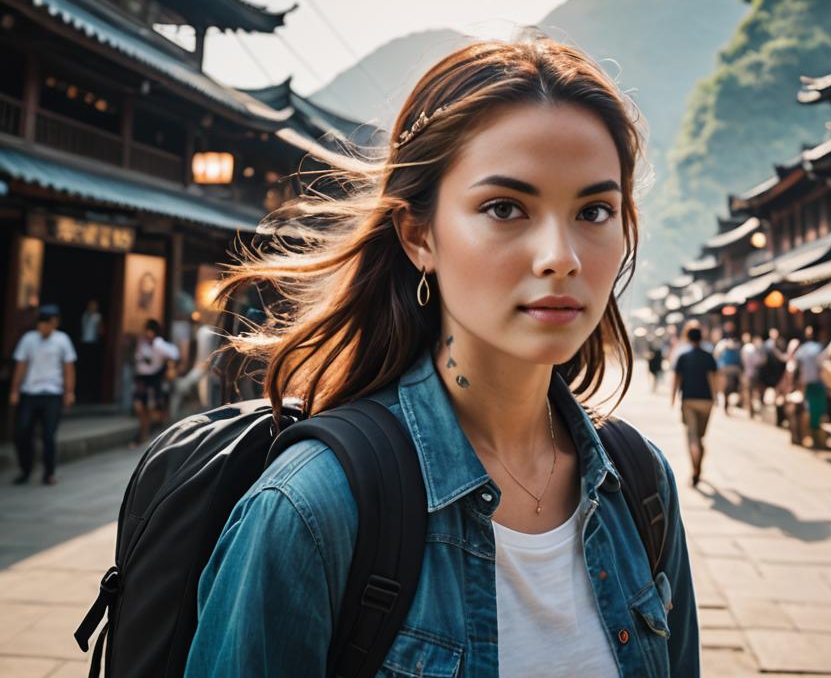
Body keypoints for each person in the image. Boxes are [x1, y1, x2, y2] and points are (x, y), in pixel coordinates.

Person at [184, 38, 700, 676]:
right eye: (505, 208)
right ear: (418, 234)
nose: (561, 255)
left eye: (594, 210)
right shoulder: (313, 511)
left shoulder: (639, 486)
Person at [9, 304, 76, 485]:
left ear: (55, 323)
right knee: (23, 432)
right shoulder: (28, 339)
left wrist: (69, 392)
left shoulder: (63, 340)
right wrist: (15, 390)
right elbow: (21, 365)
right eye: (41, 323)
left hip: (53, 394)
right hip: (29, 393)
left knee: (48, 435)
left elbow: (68, 368)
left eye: (48, 323)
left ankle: (49, 472)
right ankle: (25, 469)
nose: (44, 327)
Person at [671, 326, 718, 488]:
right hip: (706, 401)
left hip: (689, 400)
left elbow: (676, 378)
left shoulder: (683, 357)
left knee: (692, 437)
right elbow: (712, 378)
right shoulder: (708, 357)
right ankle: (698, 467)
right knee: (700, 437)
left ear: (688, 338)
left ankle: (695, 469)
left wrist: (672, 398)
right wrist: (715, 397)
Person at [131, 319, 180, 446]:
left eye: (150, 330)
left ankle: (145, 434)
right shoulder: (142, 342)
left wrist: (170, 367)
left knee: (150, 408)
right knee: (139, 406)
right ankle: (144, 433)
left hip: (153, 378)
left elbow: (174, 354)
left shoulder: (159, 344)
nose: (148, 333)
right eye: (147, 330)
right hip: (141, 377)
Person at [794, 325, 827, 443]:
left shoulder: (802, 349)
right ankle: (816, 437)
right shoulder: (819, 348)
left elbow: (796, 366)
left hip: (806, 383)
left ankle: (809, 436)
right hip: (817, 383)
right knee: (817, 411)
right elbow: (822, 367)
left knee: (808, 410)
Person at [78, 298, 104, 403]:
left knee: (92, 369)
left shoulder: (98, 317)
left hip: (94, 344)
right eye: (90, 305)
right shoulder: (84, 315)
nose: (92, 307)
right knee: (83, 368)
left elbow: (101, 330)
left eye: (94, 305)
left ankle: (93, 395)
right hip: (84, 343)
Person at [713, 322, 741, 413]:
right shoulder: (726, 344)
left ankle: (728, 404)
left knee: (729, 388)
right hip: (727, 369)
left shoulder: (730, 343)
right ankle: (726, 404)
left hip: (729, 369)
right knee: (727, 388)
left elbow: (716, 355)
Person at [739, 332, 765, 415]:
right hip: (753, 372)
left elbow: (743, 361)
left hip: (747, 372)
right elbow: (758, 361)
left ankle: (750, 408)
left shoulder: (745, 348)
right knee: (753, 391)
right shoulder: (753, 348)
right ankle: (752, 408)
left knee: (749, 391)